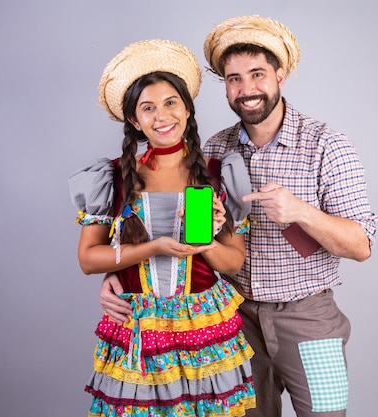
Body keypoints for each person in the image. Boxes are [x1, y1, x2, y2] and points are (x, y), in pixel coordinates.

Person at [101, 16, 378, 417]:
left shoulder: (327, 145)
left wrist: (300, 211)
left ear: (280, 76)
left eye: (257, 74)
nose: (246, 89)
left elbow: (362, 246)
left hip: (308, 319)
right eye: (234, 79)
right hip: (233, 320)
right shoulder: (216, 151)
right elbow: (188, 241)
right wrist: (119, 274)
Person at [69, 39, 256, 417]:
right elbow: (89, 259)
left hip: (203, 322)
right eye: (148, 108)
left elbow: (234, 263)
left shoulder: (221, 171)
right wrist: (153, 248)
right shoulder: (114, 177)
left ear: (187, 108)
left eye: (171, 102)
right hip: (138, 322)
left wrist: (202, 241)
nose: (162, 116)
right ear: (135, 121)